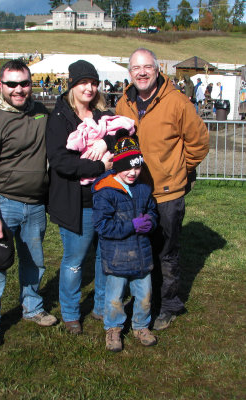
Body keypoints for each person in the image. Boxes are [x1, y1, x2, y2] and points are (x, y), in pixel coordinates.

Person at [116, 48, 209, 331]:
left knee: (166, 252)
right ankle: (144, 300)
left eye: (147, 67)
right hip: (135, 192)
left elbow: (199, 143)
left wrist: (180, 168)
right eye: (135, 68)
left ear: (158, 70)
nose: (141, 72)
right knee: (140, 248)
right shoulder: (124, 103)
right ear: (129, 73)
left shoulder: (178, 102)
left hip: (167, 193)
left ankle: (168, 305)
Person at [0, 60, 57, 348]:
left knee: (35, 262)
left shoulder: (40, 112)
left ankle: (32, 307)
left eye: (24, 83)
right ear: (1, 85)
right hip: (3, 206)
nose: (18, 89)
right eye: (12, 84)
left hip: (35, 206)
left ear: (31, 83)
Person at [46, 60, 114, 334]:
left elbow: (123, 135)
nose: (89, 87)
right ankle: (71, 312)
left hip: (105, 200)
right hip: (77, 203)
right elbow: (61, 161)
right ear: (72, 85)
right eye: (83, 82)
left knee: (102, 257)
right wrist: (98, 167)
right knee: (74, 260)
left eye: (93, 83)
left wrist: (106, 142)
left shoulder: (103, 115)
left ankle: (100, 306)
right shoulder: (60, 118)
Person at [92, 129, 158, 352]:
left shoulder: (143, 190)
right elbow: (102, 226)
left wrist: (152, 221)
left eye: (137, 166)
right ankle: (113, 328)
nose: (133, 172)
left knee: (144, 295)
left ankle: (141, 325)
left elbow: (152, 212)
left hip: (141, 255)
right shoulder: (106, 192)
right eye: (127, 167)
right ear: (117, 166)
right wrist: (132, 226)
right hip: (117, 256)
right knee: (114, 296)